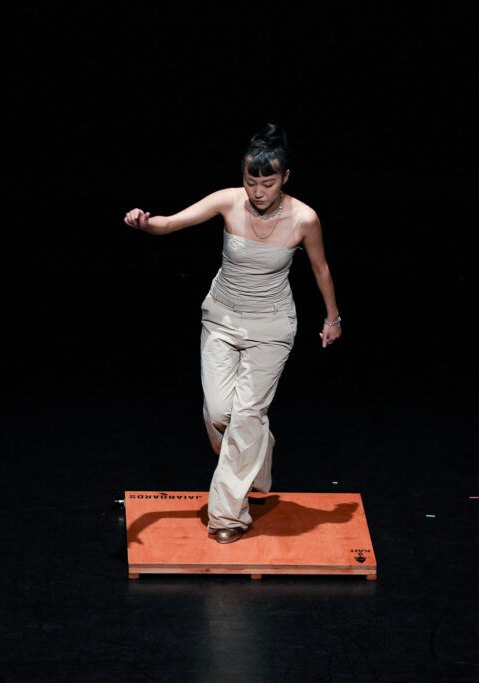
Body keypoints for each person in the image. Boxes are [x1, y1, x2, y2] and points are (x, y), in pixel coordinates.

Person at [123, 124, 341, 544]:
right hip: (221, 320)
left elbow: (320, 269)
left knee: (245, 417)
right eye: (251, 181)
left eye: (269, 182)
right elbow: (169, 224)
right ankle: (256, 452)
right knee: (222, 414)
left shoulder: (304, 218)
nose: (258, 191)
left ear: (286, 178)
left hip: (273, 327)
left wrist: (332, 319)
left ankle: (227, 517)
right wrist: (144, 224)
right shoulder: (228, 201)